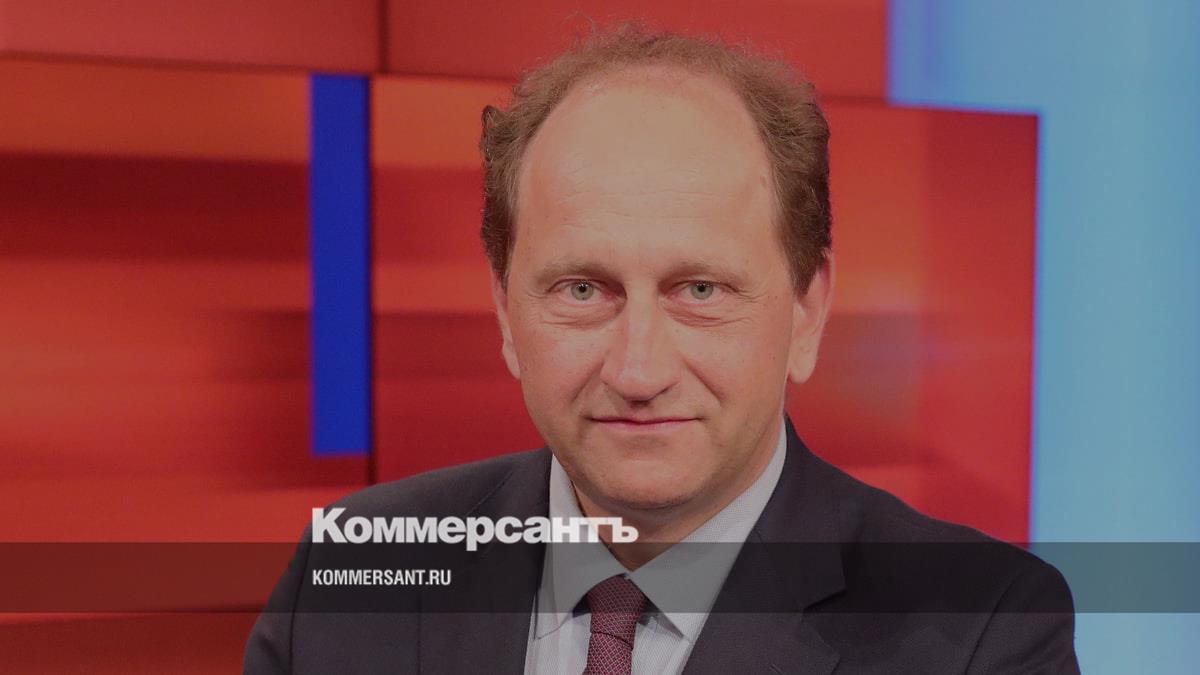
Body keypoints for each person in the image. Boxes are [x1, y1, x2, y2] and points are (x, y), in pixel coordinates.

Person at [245, 24, 1078, 674]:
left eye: (700, 290)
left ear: (808, 308)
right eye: (582, 290)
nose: (637, 370)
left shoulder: (980, 630)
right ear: (504, 309)